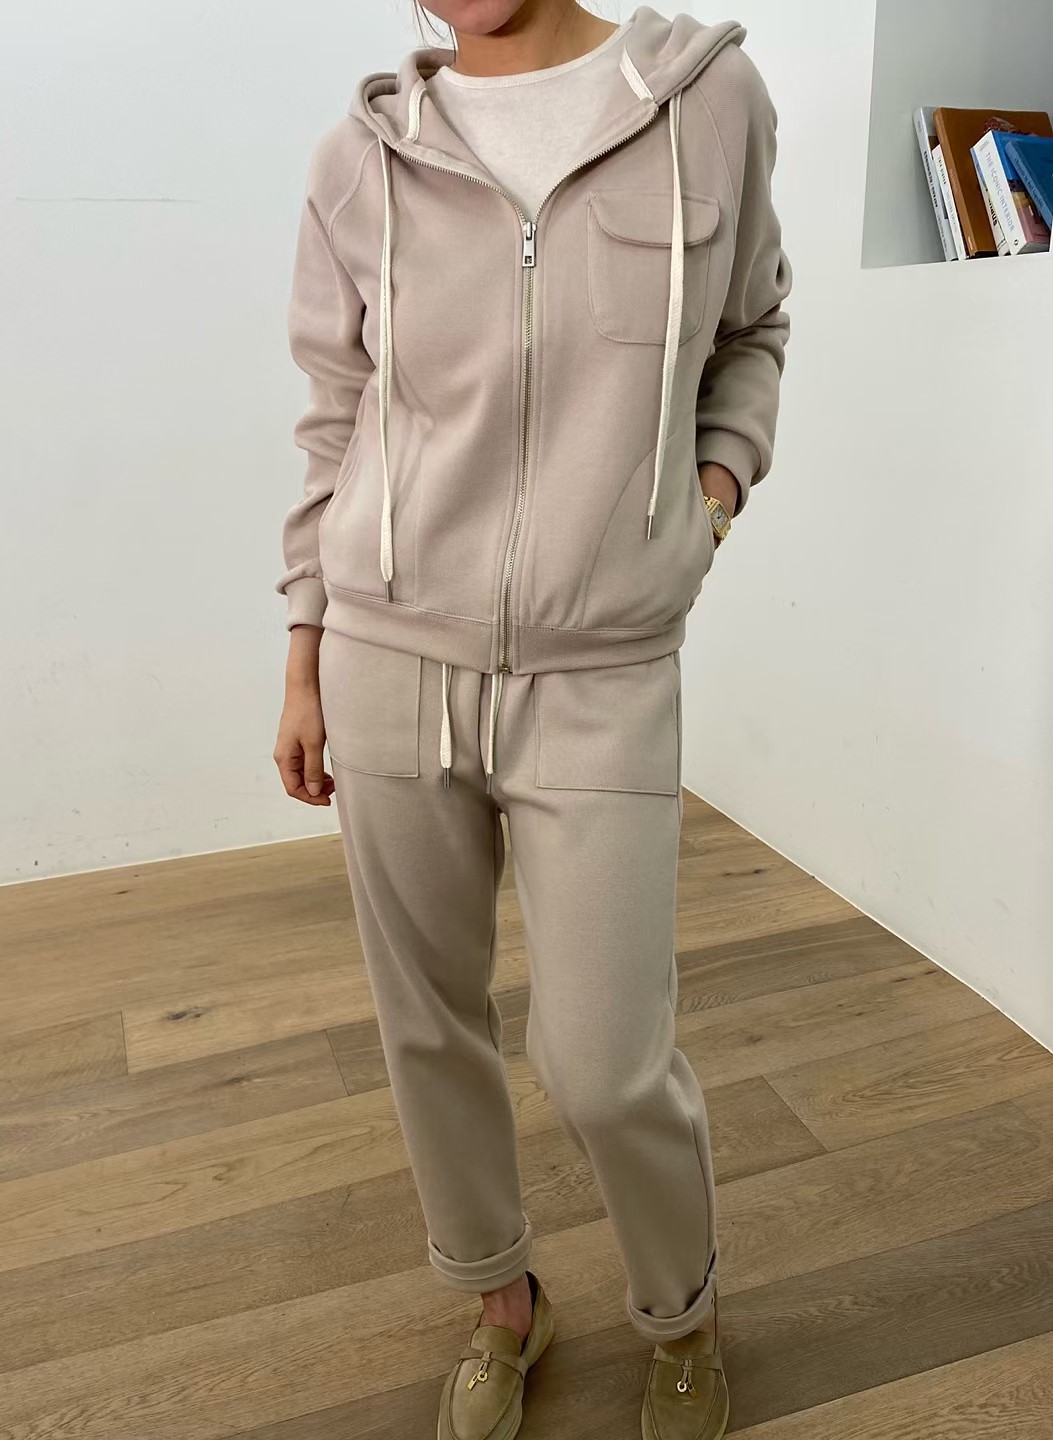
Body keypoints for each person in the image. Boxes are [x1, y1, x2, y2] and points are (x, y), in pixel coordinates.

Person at [274, 3, 790, 1436]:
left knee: (606, 1064)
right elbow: (334, 417)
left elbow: (751, 329)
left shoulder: (703, 100)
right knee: (427, 1024)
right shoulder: (361, 156)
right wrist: (305, 651)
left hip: (602, 665)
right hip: (388, 651)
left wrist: (710, 500)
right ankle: (501, 1301)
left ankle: (680, 1314)